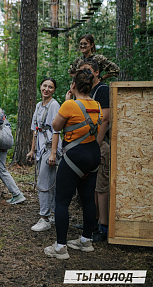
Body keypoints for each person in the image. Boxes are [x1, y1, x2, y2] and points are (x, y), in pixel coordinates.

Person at [44, 69, 102, 260]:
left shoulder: (69, 105)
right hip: (93, 155)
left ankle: (60, 247)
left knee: (62, 201)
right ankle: (86, 240)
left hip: (74, 157)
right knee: (87, 199)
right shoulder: (97, 105)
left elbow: (56, 126)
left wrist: (69, 99)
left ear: (74, 85)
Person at [78, 59, 111, 243]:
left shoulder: (103, 90)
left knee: (101, 187)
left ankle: (104, 227)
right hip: (87, 145)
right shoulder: (86, 91)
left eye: (89, 71)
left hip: (99, 144)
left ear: (97, 72)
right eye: (83, 71)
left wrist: (95, 144)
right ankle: (93, 222)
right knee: (90, 187)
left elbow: (105, 119)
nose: (86, 74)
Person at [27, 78, 62, 232]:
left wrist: (53, 153)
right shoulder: (38, 106)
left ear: (54, 90)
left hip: (50, 148)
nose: (47, 89)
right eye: (45, 86)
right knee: (49, 182)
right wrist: (32, 150)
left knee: (43, 183)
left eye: (50, 87)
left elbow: (56, 130)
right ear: (40, 87)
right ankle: (53, 214)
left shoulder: (54, 105)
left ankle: (45, 217)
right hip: (41, 149)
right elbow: (36, 129)